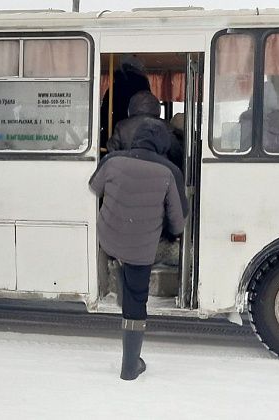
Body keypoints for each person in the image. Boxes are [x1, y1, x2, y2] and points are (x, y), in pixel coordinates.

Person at [89, 119, 188, 381]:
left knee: (119, 254)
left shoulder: (112, 160)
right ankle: (130, 366)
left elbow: (94, 187)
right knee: (136, 299)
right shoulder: (169, 172)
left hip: (109, 237)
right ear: (163, 145)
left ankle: (115, 275)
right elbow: (178, 224)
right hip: (141, 248)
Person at [107, 90, 184, 171]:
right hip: (159, 174)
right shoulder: (166, 126)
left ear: (131, 106)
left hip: (128, 172)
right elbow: (176, 154)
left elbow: (112, 152)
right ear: (157, 106)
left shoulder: (121, 126)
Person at [99, 54, 151, 151]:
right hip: (140, 133)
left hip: (114, 131)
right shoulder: (143, 87)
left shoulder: (114, 87)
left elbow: (104, 113)